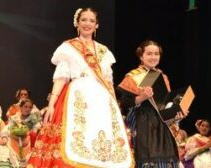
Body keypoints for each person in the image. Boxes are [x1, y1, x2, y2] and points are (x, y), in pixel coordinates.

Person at [27, 7, 133, 167]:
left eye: (92, 21)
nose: (87, 24)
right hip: (77, 97)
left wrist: (114, 108)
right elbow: (62, 77)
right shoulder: (68, 48)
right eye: (84, 20)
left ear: (97, 25)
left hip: (101, 101)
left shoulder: (104, 51)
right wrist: (51, 103)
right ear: (77, 23)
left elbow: (108, 82)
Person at [118, 40, 189, 167]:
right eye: (149, 54)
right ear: (141, 56)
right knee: (147, 160)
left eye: (156, 54)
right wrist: (142, 97)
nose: (153, 57)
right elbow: (124, 104)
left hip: (162, 126)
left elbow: (166, 105)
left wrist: (177, 114)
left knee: (167, 161)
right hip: (142, 123)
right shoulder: (132, 76)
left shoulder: (163, 76)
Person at [5, 98, 41, 166]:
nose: (27, 109)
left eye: (30, 107)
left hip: (28, 142)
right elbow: (9, 128)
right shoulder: (15, 117)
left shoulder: (33, 118)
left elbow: (37, 129)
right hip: (15, 140)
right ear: (21, 107)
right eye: (25, 107)